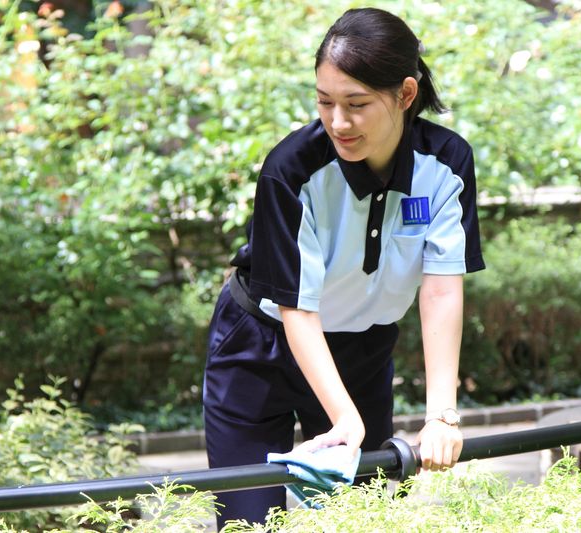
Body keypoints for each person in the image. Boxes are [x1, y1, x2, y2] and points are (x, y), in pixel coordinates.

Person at [203, 7, 484, 528]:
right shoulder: (292, 169)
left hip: (363, 350)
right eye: (324, 101)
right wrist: (344, 417)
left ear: (405, 94)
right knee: (248, 523)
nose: (337, 121)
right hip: (260, 348)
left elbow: (442, 291)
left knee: (362, 518)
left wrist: (441, 415)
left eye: (356, 104)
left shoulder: (446, 165)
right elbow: (298, 310)